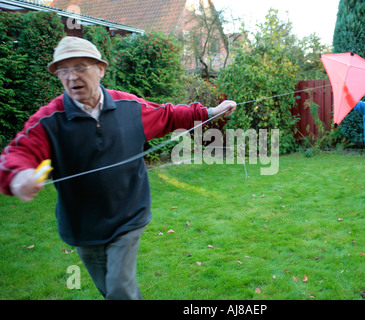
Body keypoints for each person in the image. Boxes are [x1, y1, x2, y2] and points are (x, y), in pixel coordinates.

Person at [0, 36, 236, 299]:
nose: (71, 76)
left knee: (120, 290)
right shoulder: (49, 119)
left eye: (80, 67)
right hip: (83, 227)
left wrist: (210, 111)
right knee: (111, 290)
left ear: (100, 69)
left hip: (128, 216)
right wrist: (18, 176)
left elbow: (168, 115)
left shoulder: (129, 108)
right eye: (63, 69)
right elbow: (18, 152)